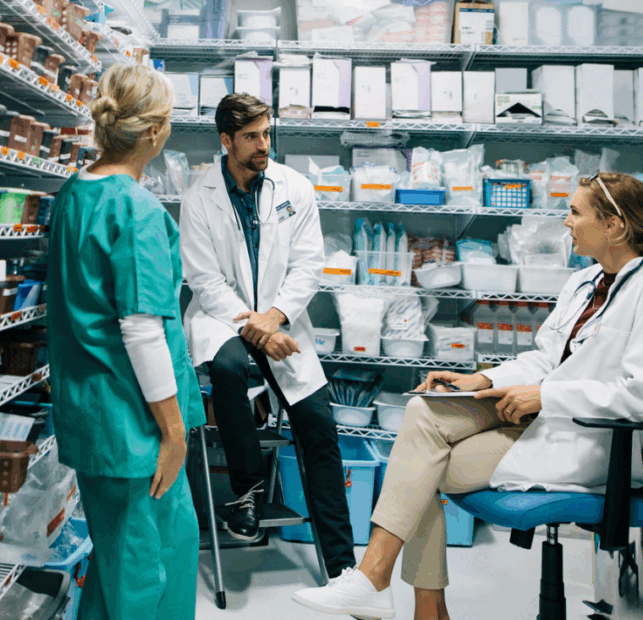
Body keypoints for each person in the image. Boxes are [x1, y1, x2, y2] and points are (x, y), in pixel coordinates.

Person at [293, 171, 643, 620]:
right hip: (539, 416)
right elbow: (544, 359)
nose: (566, 221)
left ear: (614, 225)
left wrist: (547, 398)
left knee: (419, 464)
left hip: (594, 441)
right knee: (423, 411)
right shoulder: (583, 283)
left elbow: (635, 395)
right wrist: (481, 379)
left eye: (576, 212)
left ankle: (402, 595)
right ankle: (381, 585)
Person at [46, 63, 205, 620]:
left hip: (96, 417)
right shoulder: (135, 209)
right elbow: (141, 331)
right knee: (149, 572)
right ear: (156, 133)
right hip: (136, 428)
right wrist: (173, 431)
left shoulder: (74, 195)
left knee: (117, 566)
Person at [179, 93, 356, 578]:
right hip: (223, 318)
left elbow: (307, 265)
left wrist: (273, 317)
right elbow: (204, 280)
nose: (263, 145)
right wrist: (252, 323)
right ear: (226, 140)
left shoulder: (294, 188)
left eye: (266, 134)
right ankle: (246, 496)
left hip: (282, 320)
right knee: (231, 367)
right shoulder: (199, 197)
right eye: (252, 136)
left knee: (319, 425)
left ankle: (342, 566)